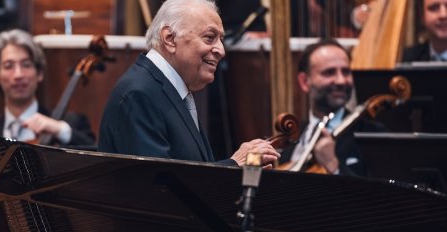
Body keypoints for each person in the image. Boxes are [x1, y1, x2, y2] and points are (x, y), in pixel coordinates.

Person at [98, 0, 279, 166]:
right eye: (209, 37)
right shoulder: (139, 94)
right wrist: (235, 164)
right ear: (169, 39)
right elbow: (159, 189)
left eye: (221, 39)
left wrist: (249, 164)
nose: (221, 50)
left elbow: (193, 172)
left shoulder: (170, 89)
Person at [279, 39, 382, 176]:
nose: (341, 81)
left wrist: (333, 166)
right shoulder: (293, 137)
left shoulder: (372, 134)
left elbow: (377, 194)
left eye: (346, 72)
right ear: (304, 81)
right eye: (329, 72)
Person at [0, 29, 95, 147]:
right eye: (8, 66)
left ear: (40, 73)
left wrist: (60, 130)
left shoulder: (70, 123)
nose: (18, 75)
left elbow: (97, 154)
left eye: (26, 64)